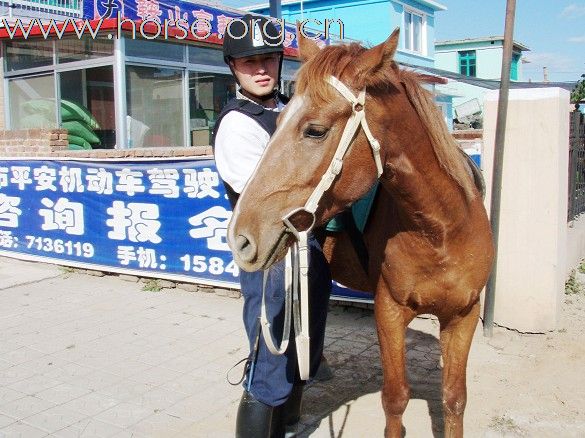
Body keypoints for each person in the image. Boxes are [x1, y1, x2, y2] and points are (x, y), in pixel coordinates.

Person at [212, 14, 332, 438]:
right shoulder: (237, 123)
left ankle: (290, 419)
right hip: (271, 250)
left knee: (305, 341)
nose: (261, 69)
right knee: (270, 351)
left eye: (268, 59)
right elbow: (267, 198)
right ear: (233, 66)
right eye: (249, 62)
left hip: (306, 243)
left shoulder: (289, 108)